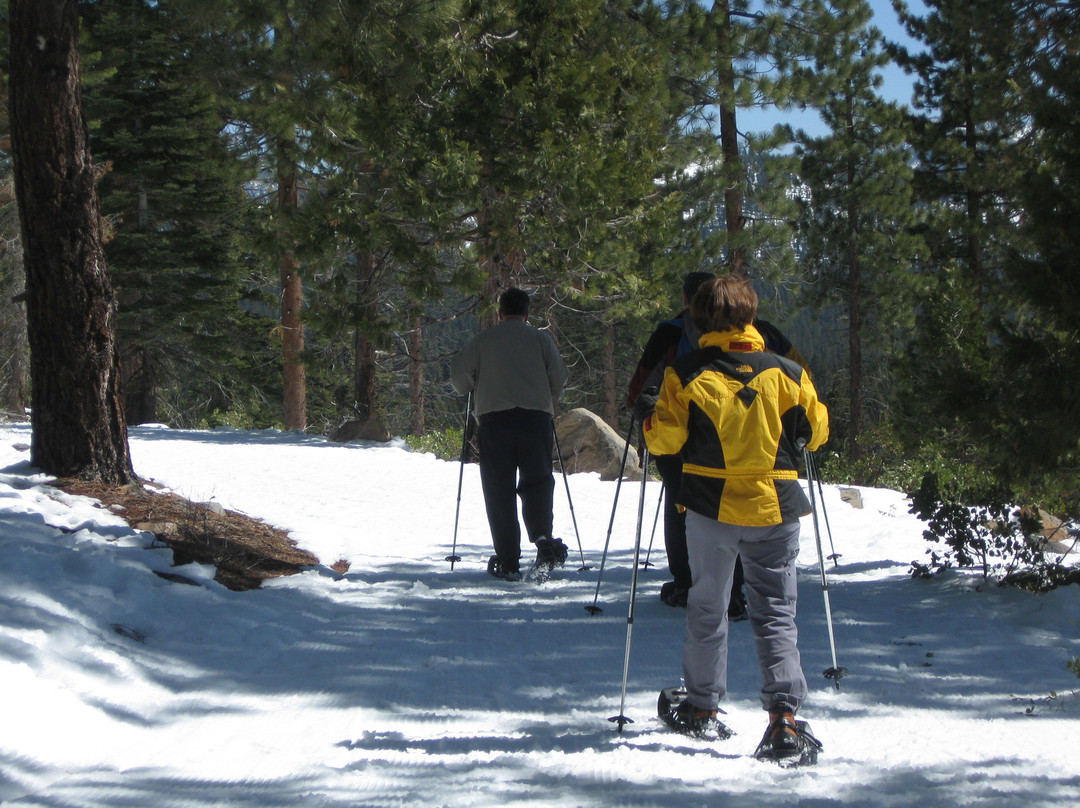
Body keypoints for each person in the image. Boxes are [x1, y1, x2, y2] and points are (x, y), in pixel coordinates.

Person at [641, 275, 829, 760]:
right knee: (776, 611)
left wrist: (648, 419)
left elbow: (663, 441)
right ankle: (784, 719)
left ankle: (702, 708)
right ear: (751, 316)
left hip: (711, 506)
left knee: (708, 605)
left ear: (699, 319)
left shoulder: (685, 372)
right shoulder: (787, 371)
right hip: (778, 506)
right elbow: (819, 430)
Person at [628, 274, 808, 615]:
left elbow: (640, 385)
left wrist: (647, 417)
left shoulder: (670, 332)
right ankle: (736, 591)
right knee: (747, 506)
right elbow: (803, 376)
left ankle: (688, 584)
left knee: (683, 504)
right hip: (762, 445)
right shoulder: (767, 334)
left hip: (683, 440)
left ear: (688, 301)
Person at [450, 288, 570, 580]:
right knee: (538, 481)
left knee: (499, 489)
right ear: (528, 314)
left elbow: (458, 379)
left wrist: (474, 383)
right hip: (536, 419)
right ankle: (542, 538)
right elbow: (560, 378)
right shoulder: (541, 340)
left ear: (499, 313)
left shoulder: (482, 341)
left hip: (495, 420)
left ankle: (508, 560)